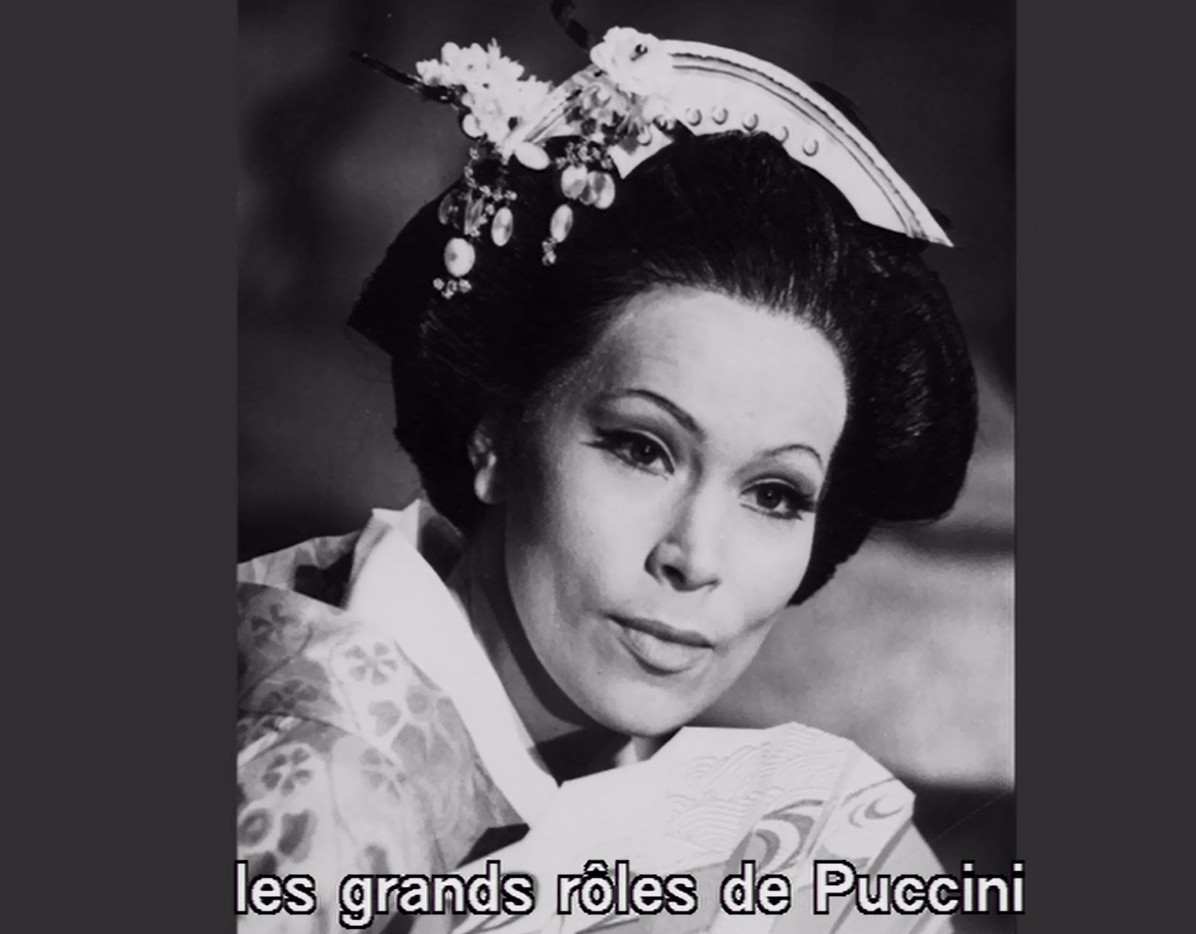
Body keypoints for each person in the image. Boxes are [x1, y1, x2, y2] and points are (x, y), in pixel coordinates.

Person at [237, 14, 977, 934]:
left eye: (774, 495)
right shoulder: (323, 793)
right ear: (497, 437)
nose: (694, 556)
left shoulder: (664, 796)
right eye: (640, 448)